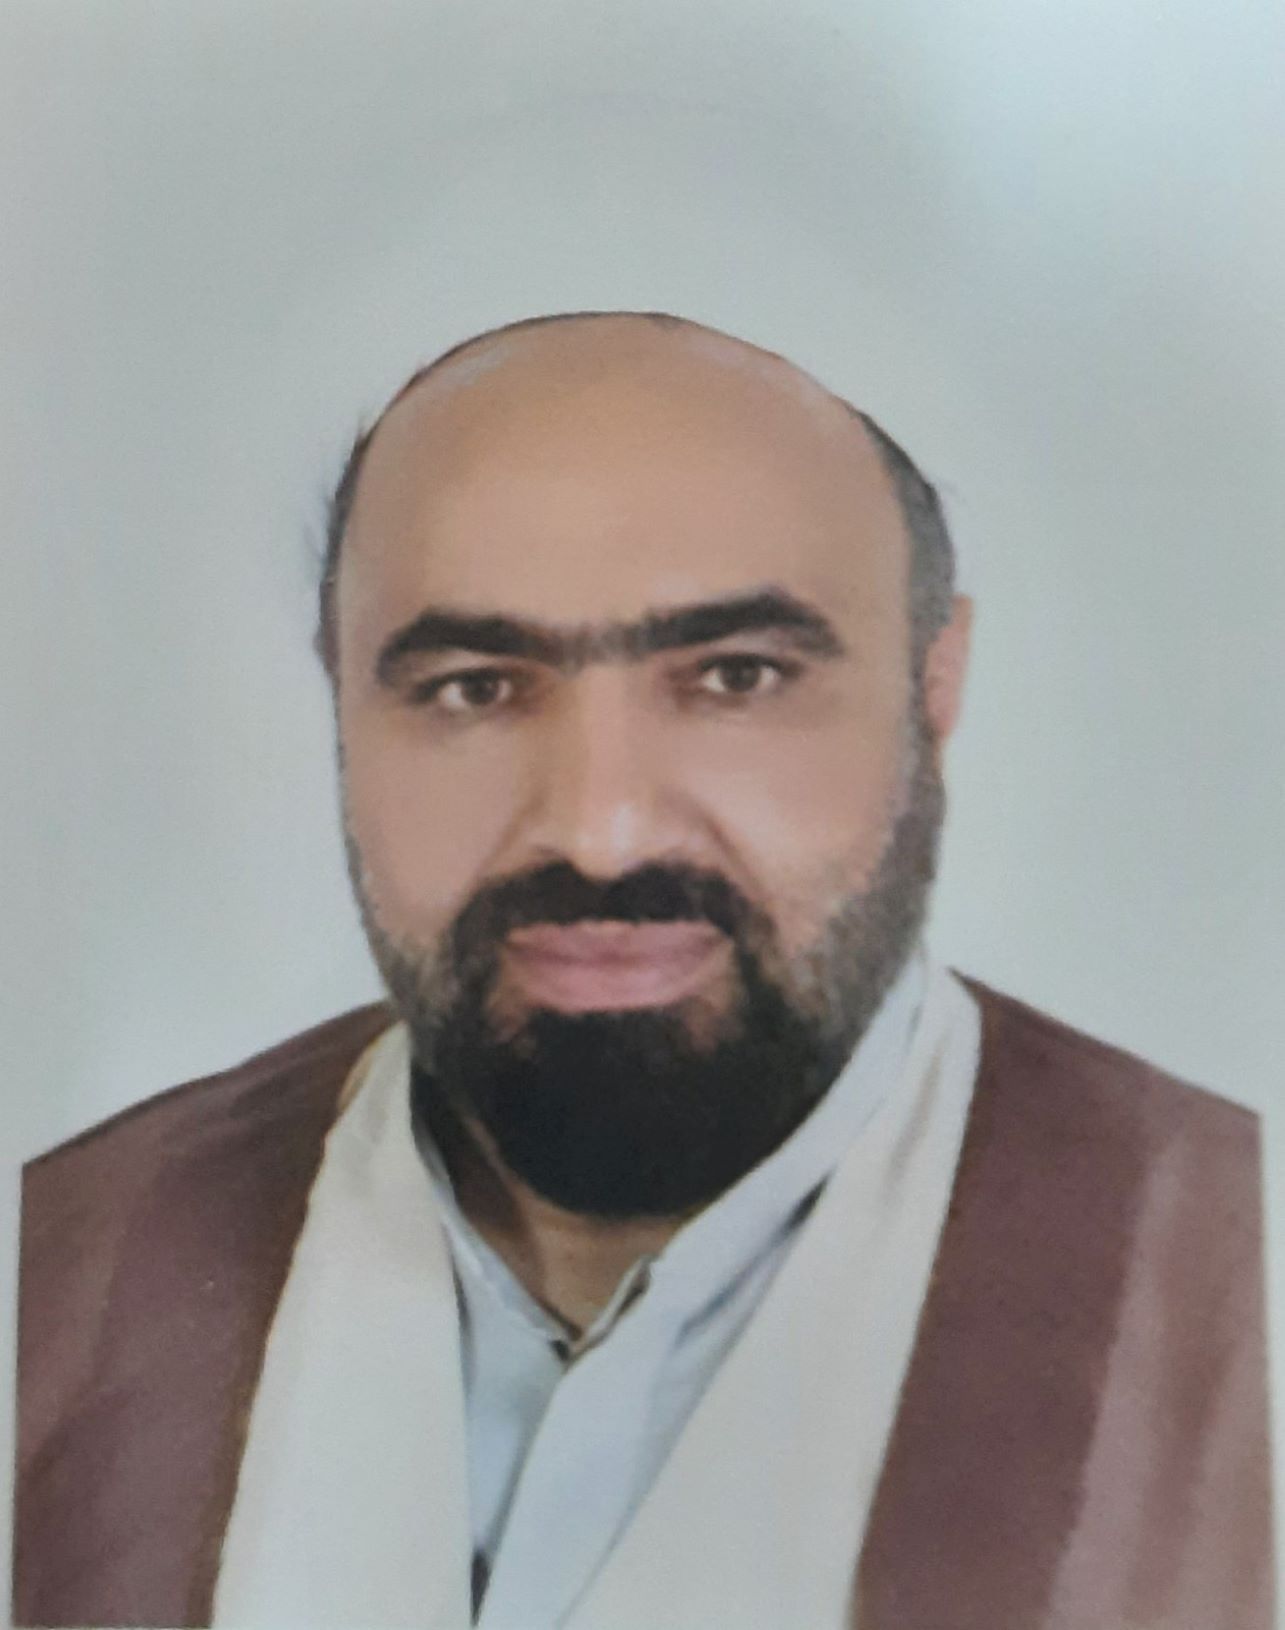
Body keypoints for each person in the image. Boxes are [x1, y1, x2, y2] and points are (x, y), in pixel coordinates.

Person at [15, 311, 1271, 1630]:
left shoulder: (1232, 1287)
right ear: (341, 700)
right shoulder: (57, 1272)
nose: (599, 831)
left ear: (934, 684)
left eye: (735, 677)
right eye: (474, 687)